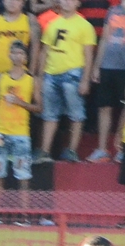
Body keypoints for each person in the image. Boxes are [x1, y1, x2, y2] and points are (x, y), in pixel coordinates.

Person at [0, 39, 39, 218]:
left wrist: (20, 103)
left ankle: (24, 215)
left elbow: (39, 107)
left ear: (26, 57)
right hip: (0, 131)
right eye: (14, 53)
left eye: (21, 53)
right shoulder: (1, 77)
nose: (17, 56)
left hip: (21, 133)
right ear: (9, 54)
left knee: (23, 175)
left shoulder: (32, 80)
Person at [39, 0, 95, 163]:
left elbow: (89, 55)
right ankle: (45, 151)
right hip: (51, 73)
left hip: (73, 73)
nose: (67, 2)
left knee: (76, 114)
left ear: (78, 3)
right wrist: (40, 75)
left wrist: (85, 79)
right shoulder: (52, 23)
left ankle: (71, 150)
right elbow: (44, 51)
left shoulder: (84, 25)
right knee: (49, 114)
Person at [89, 0, 125, 161]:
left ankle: (121, 149)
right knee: (104, 106)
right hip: (107, 66)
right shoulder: (112, 10)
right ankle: (102, 148)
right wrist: (97, 65)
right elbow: (104, 38)